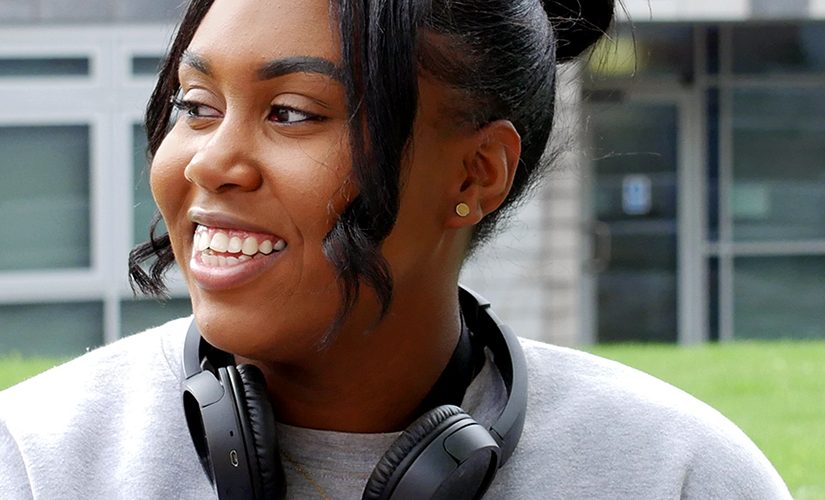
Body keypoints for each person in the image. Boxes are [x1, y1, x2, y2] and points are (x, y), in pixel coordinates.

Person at [0, 0, 791, 498]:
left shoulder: (676, 473)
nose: (207, 160)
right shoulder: (36, 460)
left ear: (477, 171)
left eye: (291, 113)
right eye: (196, 105)